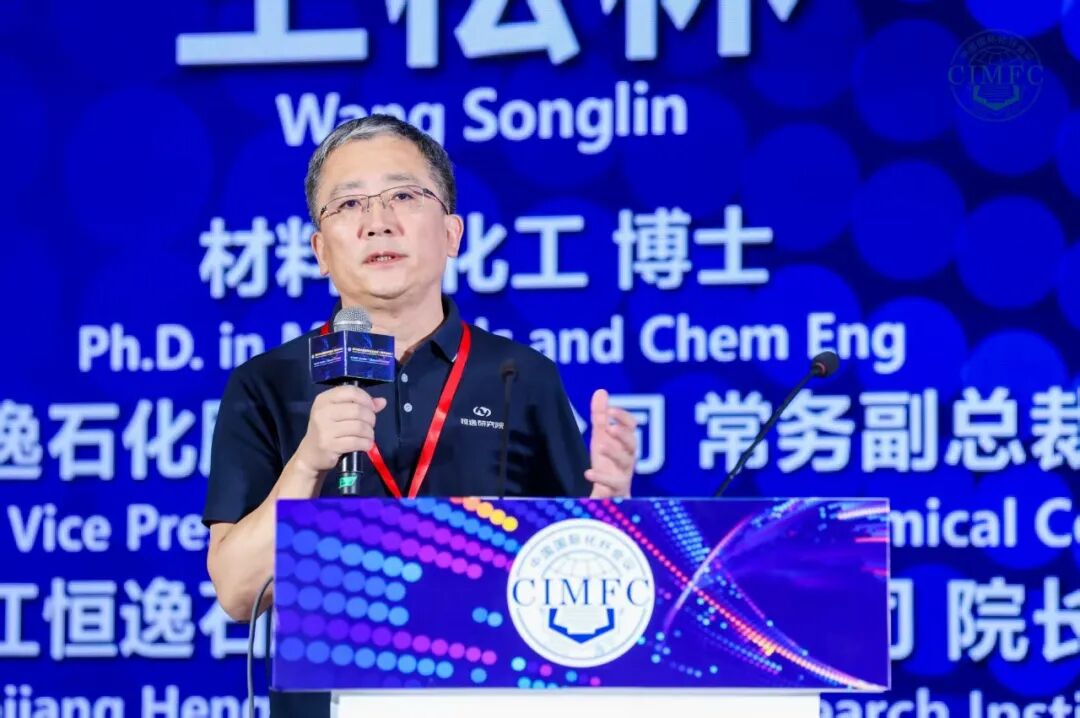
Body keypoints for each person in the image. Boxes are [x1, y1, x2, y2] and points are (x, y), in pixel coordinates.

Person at [202, 114, 639, 716]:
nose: (378, 221)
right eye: (349, 204)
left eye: (404, 196)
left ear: (452, 233)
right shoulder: (266, 384)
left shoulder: (520, 375)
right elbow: (236, 590)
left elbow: (581, 579)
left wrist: (609, 516)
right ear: (320, 251)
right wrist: (307, 463)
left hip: (489, 699)